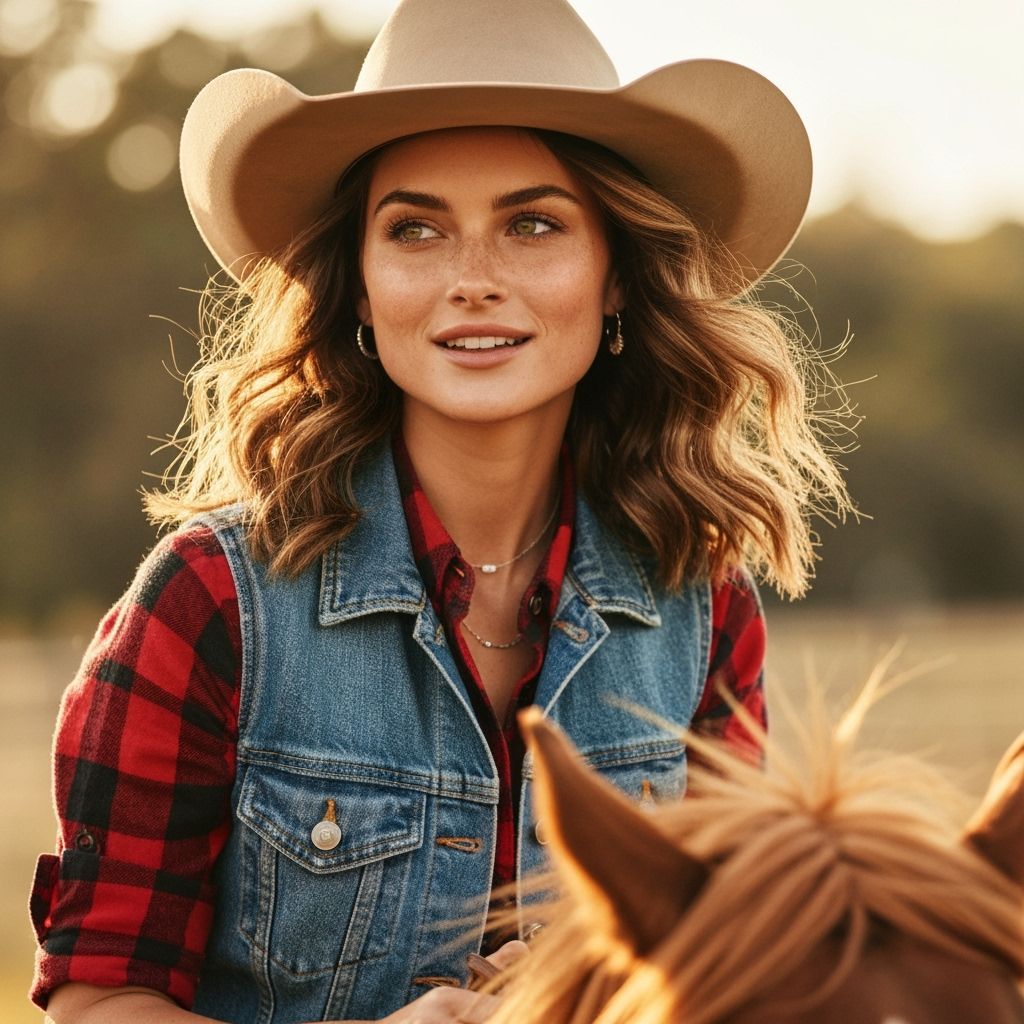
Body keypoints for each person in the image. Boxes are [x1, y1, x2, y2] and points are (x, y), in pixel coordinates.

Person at [29, 0, 852, 1021]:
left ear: (616, 282)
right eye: (414, 229)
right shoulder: (208, 601)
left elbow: (742, 984)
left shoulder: (701, 608)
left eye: (533, 224)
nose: (472, 280)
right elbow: (97, 1001)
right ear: (362, 291)